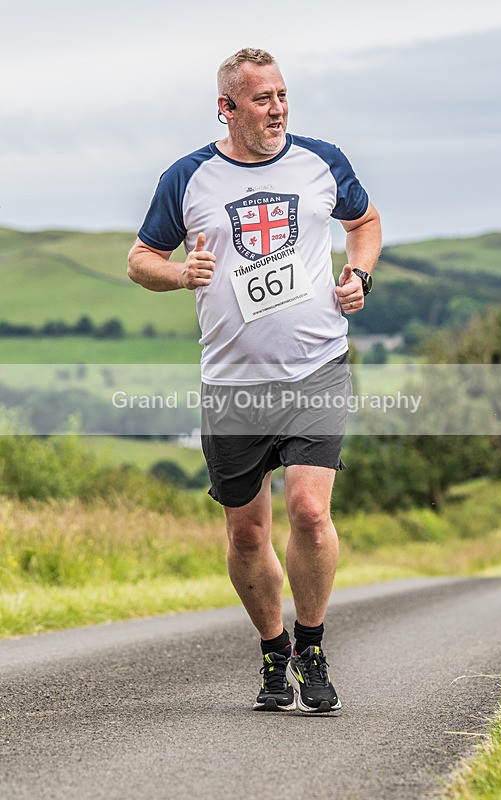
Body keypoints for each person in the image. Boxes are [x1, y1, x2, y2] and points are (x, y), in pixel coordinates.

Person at [128, 47, 381, 713]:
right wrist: (181, 273)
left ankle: (312, 643)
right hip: (233, 383)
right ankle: (274, 651)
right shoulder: (187, 178)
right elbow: (140, 258)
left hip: (315, 370)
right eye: (262, 99)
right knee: (245, 533)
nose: (277, 108)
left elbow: (364, 223)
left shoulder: (321, 161)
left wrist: (359, 275)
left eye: (281, 95)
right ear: (227, 107)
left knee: (308, 509)